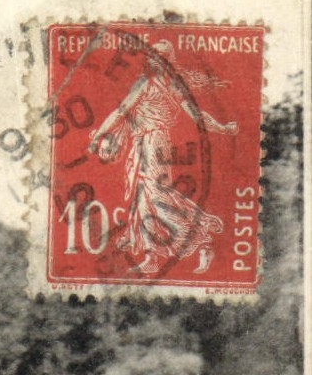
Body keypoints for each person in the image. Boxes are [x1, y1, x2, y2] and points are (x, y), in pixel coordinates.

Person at [86, 40, 237, 274]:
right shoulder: (174, 87)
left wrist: (98, 138)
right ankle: (153, 253)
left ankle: (198, 240)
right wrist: (223, 128)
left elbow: (120, 111)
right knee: (146, 196)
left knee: (153, 197)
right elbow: (199, 117)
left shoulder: (146, 83)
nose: (152, 61)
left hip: (150, 142)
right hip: (158, 143)